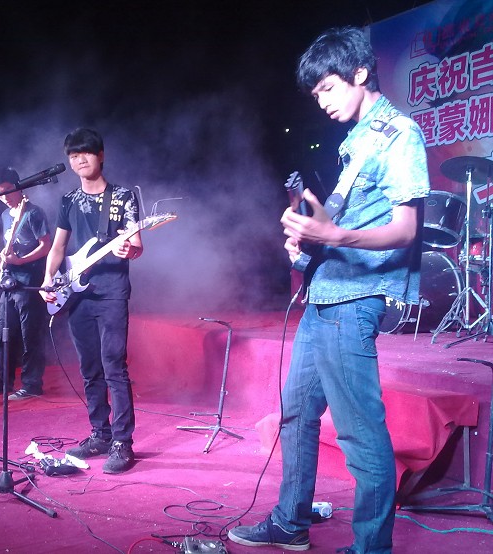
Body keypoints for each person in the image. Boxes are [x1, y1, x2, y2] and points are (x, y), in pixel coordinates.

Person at [228, 27, 429, 553]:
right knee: (296, 414)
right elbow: (343, 218)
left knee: (360, 432)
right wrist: (309, 230)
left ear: (360, 74)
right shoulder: (358, 138)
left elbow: (407, 229)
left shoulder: (400, 133)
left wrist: (333, 235)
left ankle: (371, 548)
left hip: (354, 301)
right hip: (324, 294)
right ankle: (290, 522)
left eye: (327, 89)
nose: (321, 102)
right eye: (315, 94)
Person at [39, 128, 142, 474]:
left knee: (114, 365)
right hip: (77, 293)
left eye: (85, 153)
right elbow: (58, 248)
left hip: (112, 291)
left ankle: (123, 442)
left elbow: (137, 244)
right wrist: (48, 279)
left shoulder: (123, 197)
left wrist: (129, 249)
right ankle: (100, 433)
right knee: (89, 368)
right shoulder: (68, 200)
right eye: (73, 155)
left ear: (101, 155)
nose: (79, 160)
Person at [0, 167, 51, 401]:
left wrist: (21, 261)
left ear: (19, 186)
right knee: (4, 334)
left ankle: (32, 385)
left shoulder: (34, 213)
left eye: (8, 191)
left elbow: (46, 246)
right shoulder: (5, 216)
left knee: (30, 336)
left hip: (30, 282)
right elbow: (11, 242)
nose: (5, 197)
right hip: (9, 282)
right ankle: (2, 382)